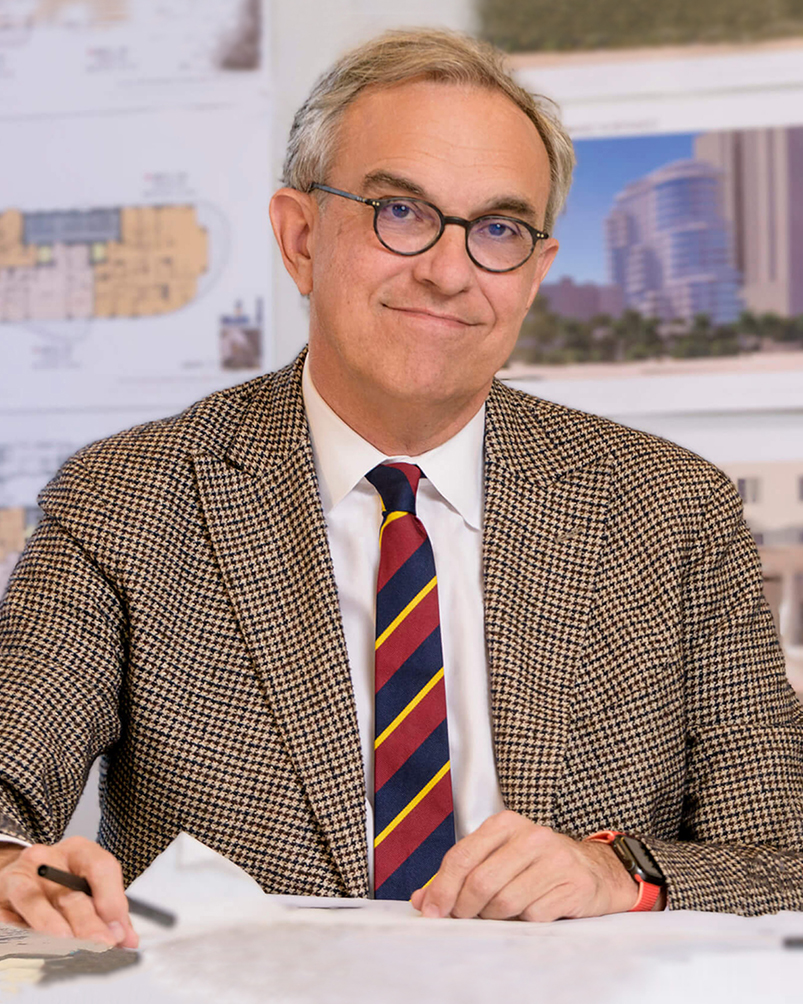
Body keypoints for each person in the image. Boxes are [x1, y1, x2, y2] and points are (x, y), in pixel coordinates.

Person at [1, 29, 802, 949]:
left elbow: (780, 855)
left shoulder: (672, 510)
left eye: (498, 229)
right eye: (400, 211)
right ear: (301, 238)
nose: (449, 270)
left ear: (536, 274)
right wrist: (16, 867)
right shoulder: (127, 497)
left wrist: (617, 871)